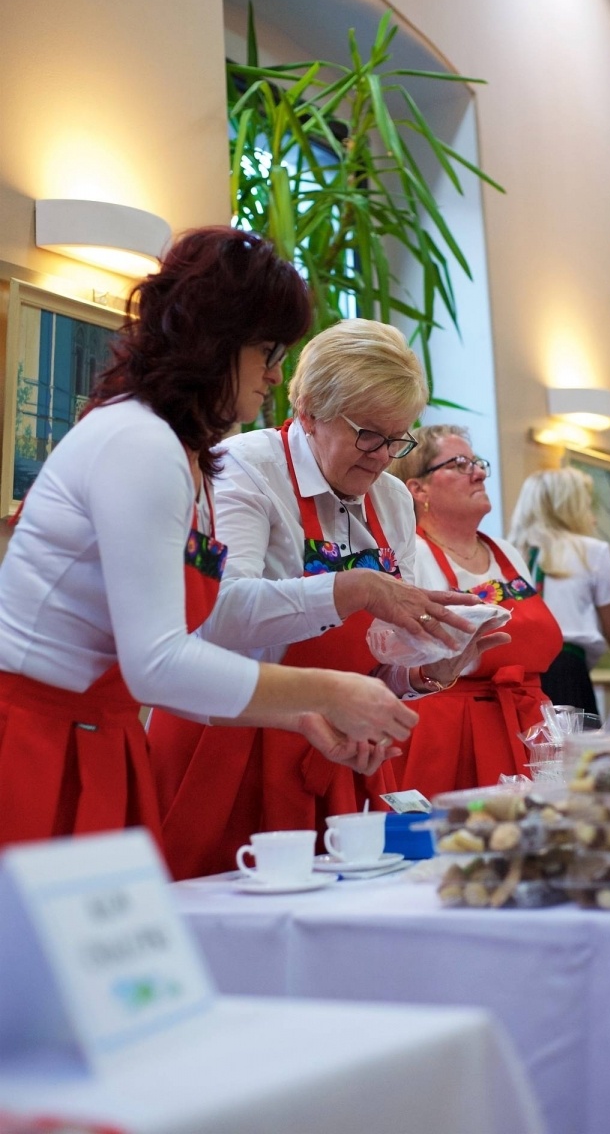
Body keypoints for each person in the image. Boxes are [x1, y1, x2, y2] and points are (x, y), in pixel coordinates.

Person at [0, 228, 419, 854]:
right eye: (269, 353)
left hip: (95, 733)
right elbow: (159, 663)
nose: (277, 378)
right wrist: (327, 692)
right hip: (37, 740)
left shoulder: (181, 454)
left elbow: (184, 638)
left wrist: (302, 717)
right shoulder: (139, 443)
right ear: (215, 344)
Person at [147, 322, 507, 878]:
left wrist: (428, 669)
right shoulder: (243, 467)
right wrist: (355, 586)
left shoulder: (389, 497)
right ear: (311, 410)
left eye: (397, 439)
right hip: (231, 747)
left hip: (341, 752)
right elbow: (220, 612)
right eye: (368, 434)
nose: (383, 457)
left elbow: (380, 662)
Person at [388, 424, 564, 797]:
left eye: (478, 463)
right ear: (417, 490)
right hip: (449, 735)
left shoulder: (507, 552)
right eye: (460, 464)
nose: (480, 472)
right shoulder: (408, 555)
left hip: (525, 726)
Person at [507, 467, 610, 712]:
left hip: (517, 676)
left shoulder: (507, 554)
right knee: (575, 747)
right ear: (572, 507)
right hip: (567, 671)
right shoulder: (592, 552)